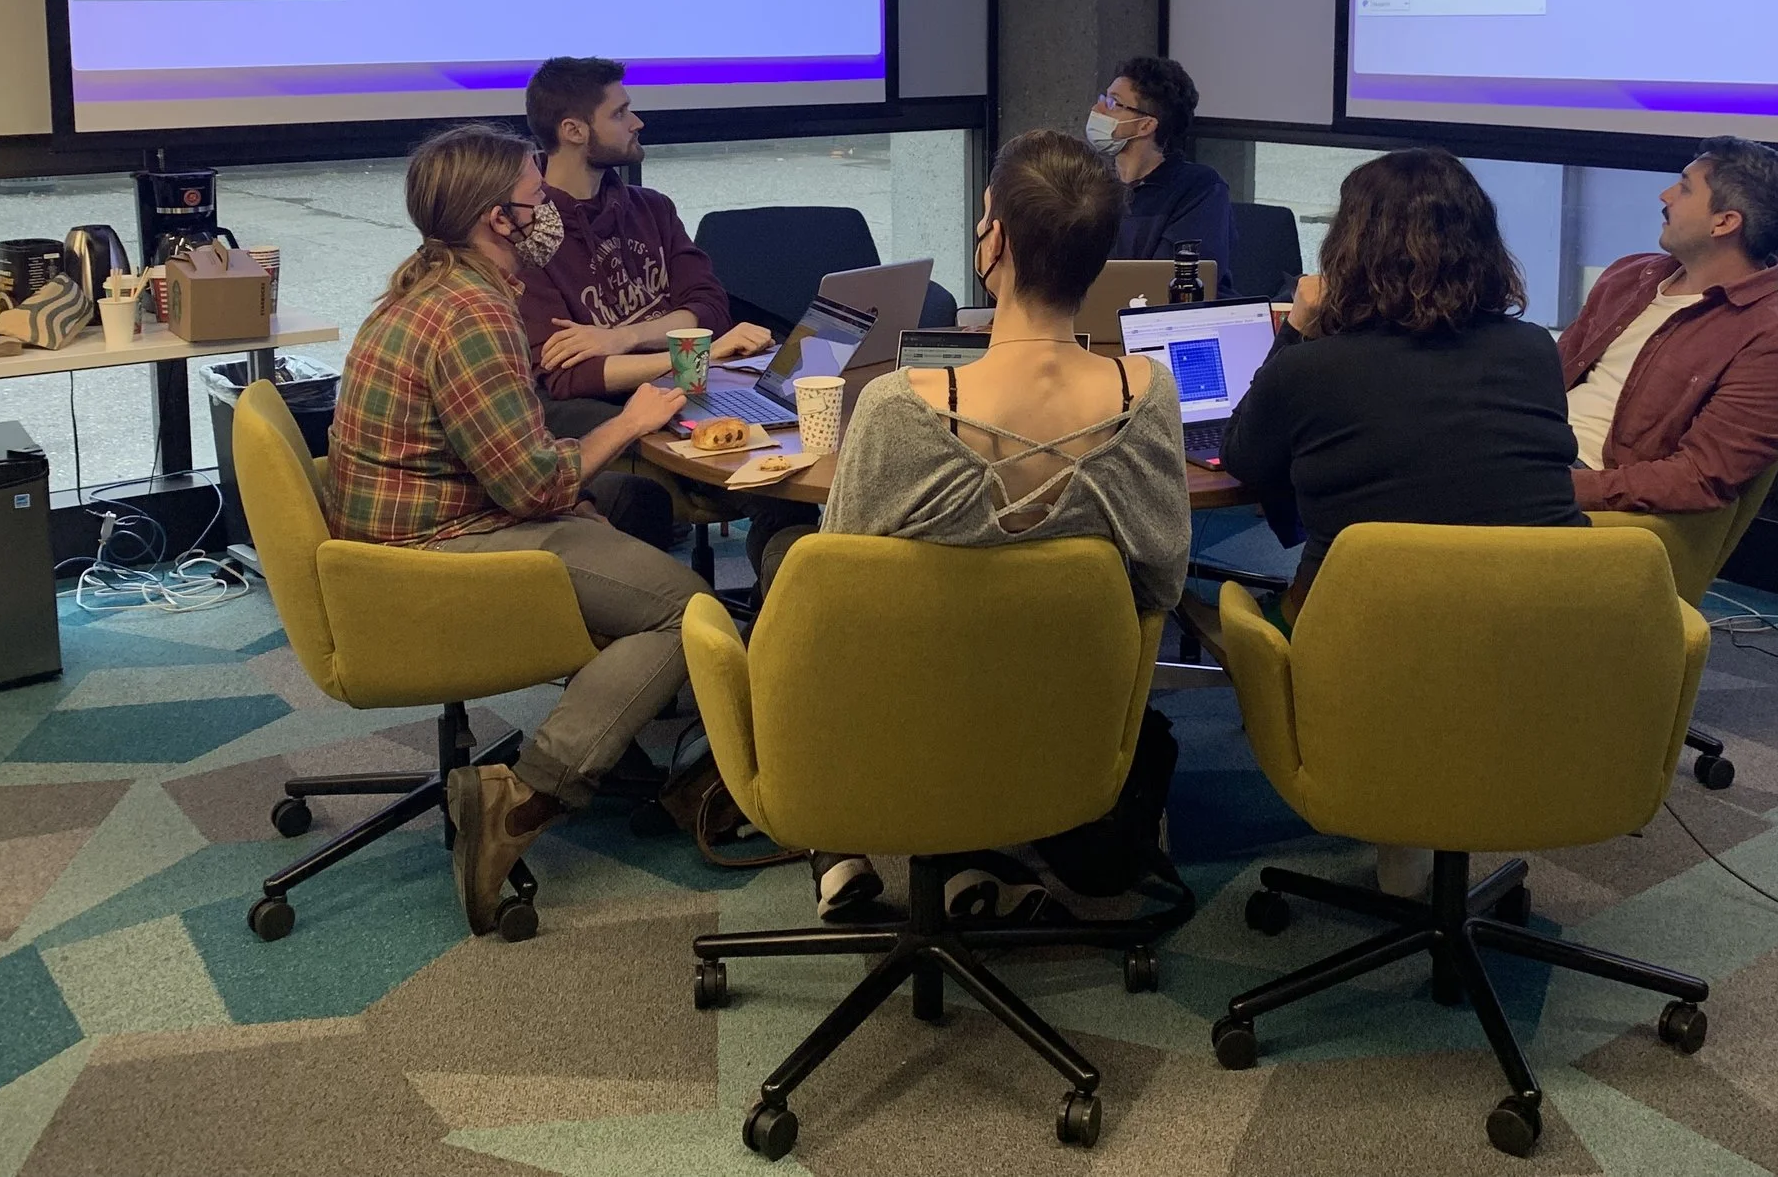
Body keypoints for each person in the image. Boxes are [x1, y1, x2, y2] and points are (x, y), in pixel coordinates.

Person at [783, 130, 1191, 922]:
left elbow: (839, 592)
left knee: (786, 555)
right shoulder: (1151, 395)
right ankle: (973, 853)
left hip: (906, 720)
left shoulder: (900, 405)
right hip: (1066, 722)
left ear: (993, 240)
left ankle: (844, 847)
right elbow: (1164, 581)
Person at [326, 122, 705, 933]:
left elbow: (505, 461)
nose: (550, 213)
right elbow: (534, 482)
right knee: (691, 611)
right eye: (538, 199)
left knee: (618, 530)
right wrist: (631, 423)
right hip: (440, 556)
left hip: (403, 543)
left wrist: (579, 494)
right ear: (500, 219)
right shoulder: (472, 313)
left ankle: (619, 752)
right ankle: (526, 794)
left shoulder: (424, 294)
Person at [1221, 145, 1582, 901]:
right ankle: (1427, 832)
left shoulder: (1313, 366)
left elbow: (1244, 459)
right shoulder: (1531, 352)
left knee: (1254, 602)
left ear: (1348, 247)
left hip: (1362, 650)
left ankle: (1399, 820)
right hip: (1541, 641)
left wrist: (1297, 332)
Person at [517, 57, 777, 551]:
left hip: (685, 387)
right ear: (573, 130)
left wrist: (624, 337)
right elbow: (569, 376)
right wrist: (694, 354)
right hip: (607, 410)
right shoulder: (532, 235)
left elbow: (708, 308)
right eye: (620, 113)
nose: (636, 122)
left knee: (777, 469)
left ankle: (791, 592)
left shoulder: (651, 208)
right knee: (752, 469)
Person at [1559, 138, 1778, 514]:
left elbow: (1697, 479)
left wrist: (1560, 488)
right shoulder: (1629, 275)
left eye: (1683, 187)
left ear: (1725, 222)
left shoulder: (1774, 343)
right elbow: (1550, 376)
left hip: (1585, 484)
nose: (1665, 196)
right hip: (1529, 446)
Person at [1091, 56, 1239, 295]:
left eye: (1112, 103)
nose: (1097, 110)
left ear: (1146, 125)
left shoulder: (1200, 189)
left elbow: (1173, 284)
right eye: (1102, 98)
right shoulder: (1090, 184)